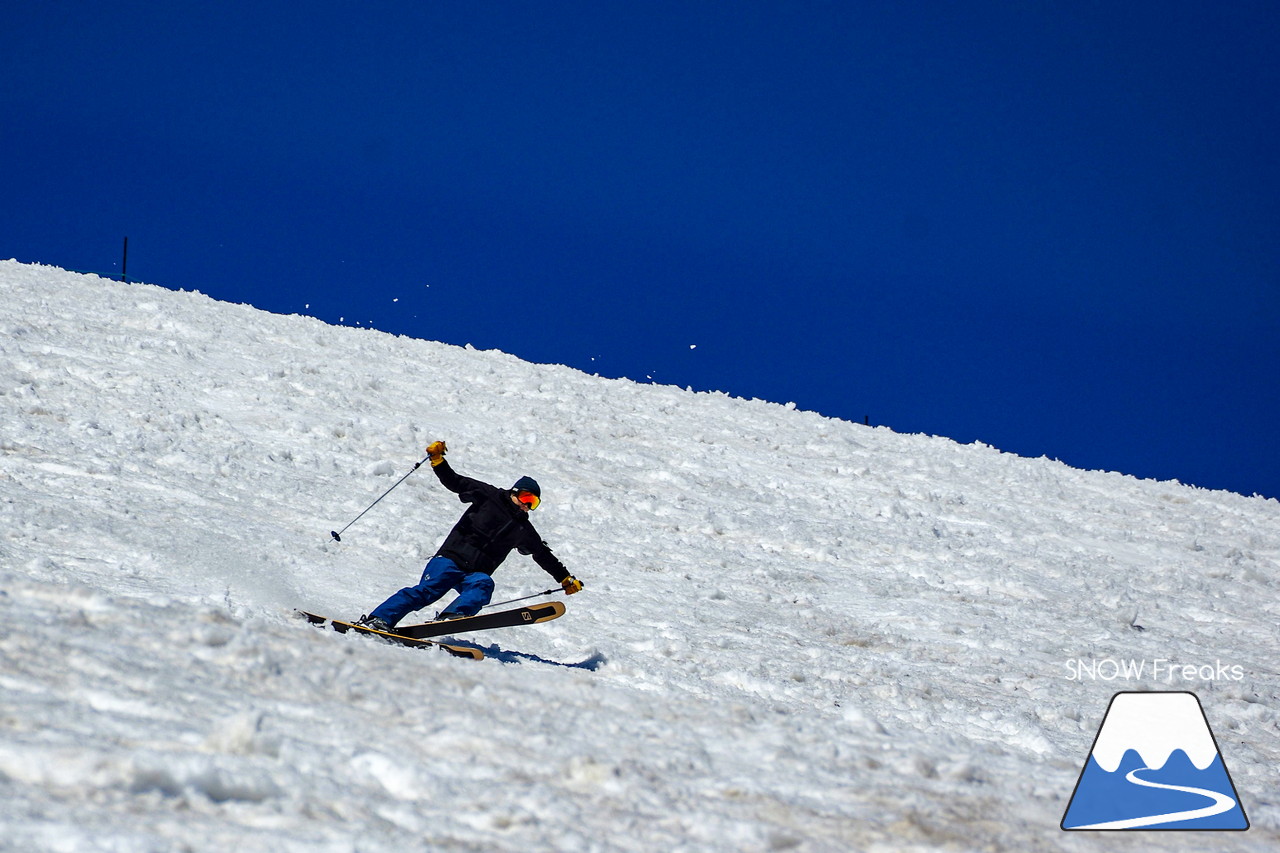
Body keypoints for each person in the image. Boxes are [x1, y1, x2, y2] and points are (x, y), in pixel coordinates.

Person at [358, 441, 583, 632]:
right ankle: (379, 619)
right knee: (426, 592)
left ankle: (452, 617)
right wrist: (437, 460)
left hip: (474, 573)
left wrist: (564, 578)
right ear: (514, 492)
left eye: (533, 503)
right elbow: (455, 482)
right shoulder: (489, 496)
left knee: (484, 584)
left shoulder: (523, 529)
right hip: (450, 560)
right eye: (526, 498)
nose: (526, 505)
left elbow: (542, 554)